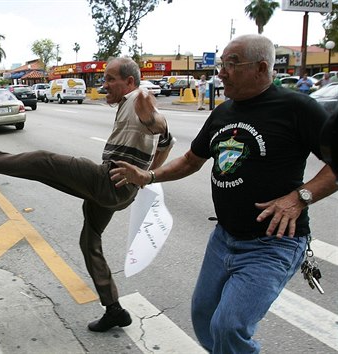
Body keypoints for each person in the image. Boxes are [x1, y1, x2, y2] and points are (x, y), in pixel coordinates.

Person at [112, 34, 337, 353]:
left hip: (273, 244)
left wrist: (300, 198)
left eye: (232, 64)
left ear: (261, 68)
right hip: (224, 237)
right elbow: (191, 160)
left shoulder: (296, 108)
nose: (221, 72)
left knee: (229, 326)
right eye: (222, 64)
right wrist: (148, 175)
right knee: (203, 316)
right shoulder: (224, 112)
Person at [0, 56, 174, 332]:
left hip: (109, 181)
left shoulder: (138, 97)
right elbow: (167, 141)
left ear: (129, 82)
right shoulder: (126, 103)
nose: (104, 84)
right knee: (89, 240)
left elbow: (155, 121)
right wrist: (145, 176)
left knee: (42, 161)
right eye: (104, 79)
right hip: (118, 188)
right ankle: (114, 309)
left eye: (110, 79)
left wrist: (151, 121)